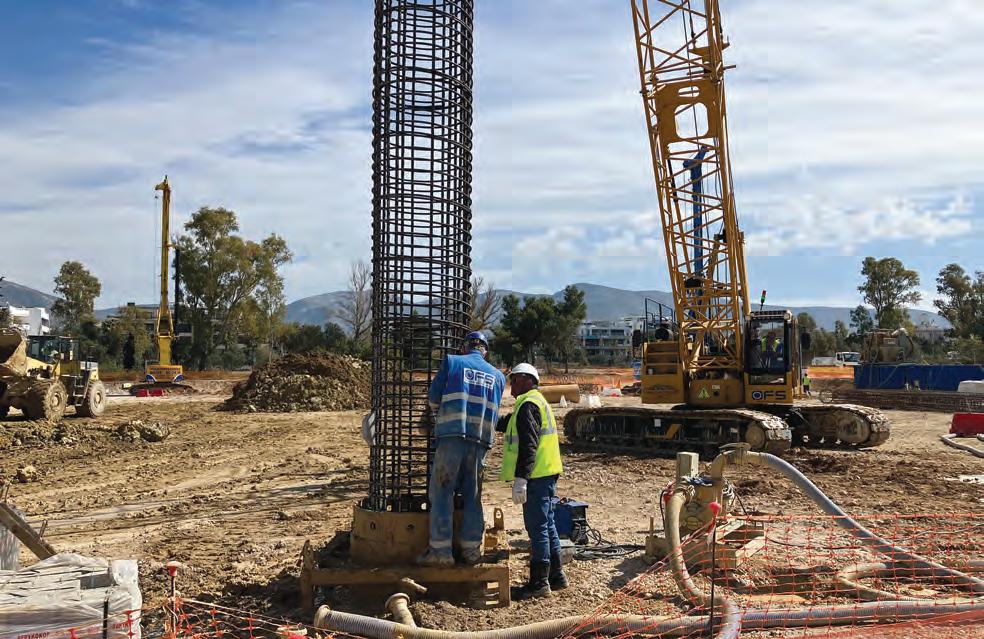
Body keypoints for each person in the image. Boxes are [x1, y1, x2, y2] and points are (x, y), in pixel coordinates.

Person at [418, 331, 506, 567]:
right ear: (485, 352)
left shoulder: (453, 362)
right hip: (480, 442)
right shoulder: (498, 376)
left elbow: (433, 398)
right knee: (472, 495)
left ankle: (441, 552)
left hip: (452, 437)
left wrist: (438, 417)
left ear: (464, 348)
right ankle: (471, 550)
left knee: (442, 491)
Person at [499, 363, 566, 599]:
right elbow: (508, 424)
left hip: (536, 476)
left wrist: (521, 479)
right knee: (547, 525)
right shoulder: (533, 402)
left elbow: (529, 445)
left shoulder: (529, 404)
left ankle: (539, 583)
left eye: (514, 380)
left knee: (537, 528)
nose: (511, 385)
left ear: (527, 380)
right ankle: (556, 576)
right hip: (546, 473)